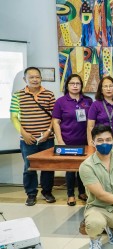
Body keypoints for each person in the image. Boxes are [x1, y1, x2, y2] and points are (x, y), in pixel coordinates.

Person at [10, 67, 56, 206]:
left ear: (41, 78)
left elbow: (55, 116)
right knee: (29, 167)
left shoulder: (49, 94)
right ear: (25, 80)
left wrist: (48, 131)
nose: (35, 79)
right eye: (31, 77)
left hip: (47, 138)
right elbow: (13, 117)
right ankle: (31, 193)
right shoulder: (18, 95)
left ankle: (47, 191)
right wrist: (24, 134)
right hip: (27, 139)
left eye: (37, 77)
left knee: (48, 167)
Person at [52, 74, 93, 206]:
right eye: (72, 83)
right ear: (67, 86)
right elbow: (56, 122)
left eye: (78, 83)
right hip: (68, 141)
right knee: (70, 169)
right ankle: (70, 194)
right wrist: (60, 140)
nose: (75, 86)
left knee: (84, 168)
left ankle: (82, 192)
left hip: (85, 141)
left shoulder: (88, 101)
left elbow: (91, 122)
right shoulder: (61, 101)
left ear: (81, 86)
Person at [87, 76, 113, 146]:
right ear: (101, 90)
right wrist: (90, 142)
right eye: (105, 86)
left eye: (111, 86)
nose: (108, 89)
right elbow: (90, 126)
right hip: (100, 142)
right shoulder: (95, 105)